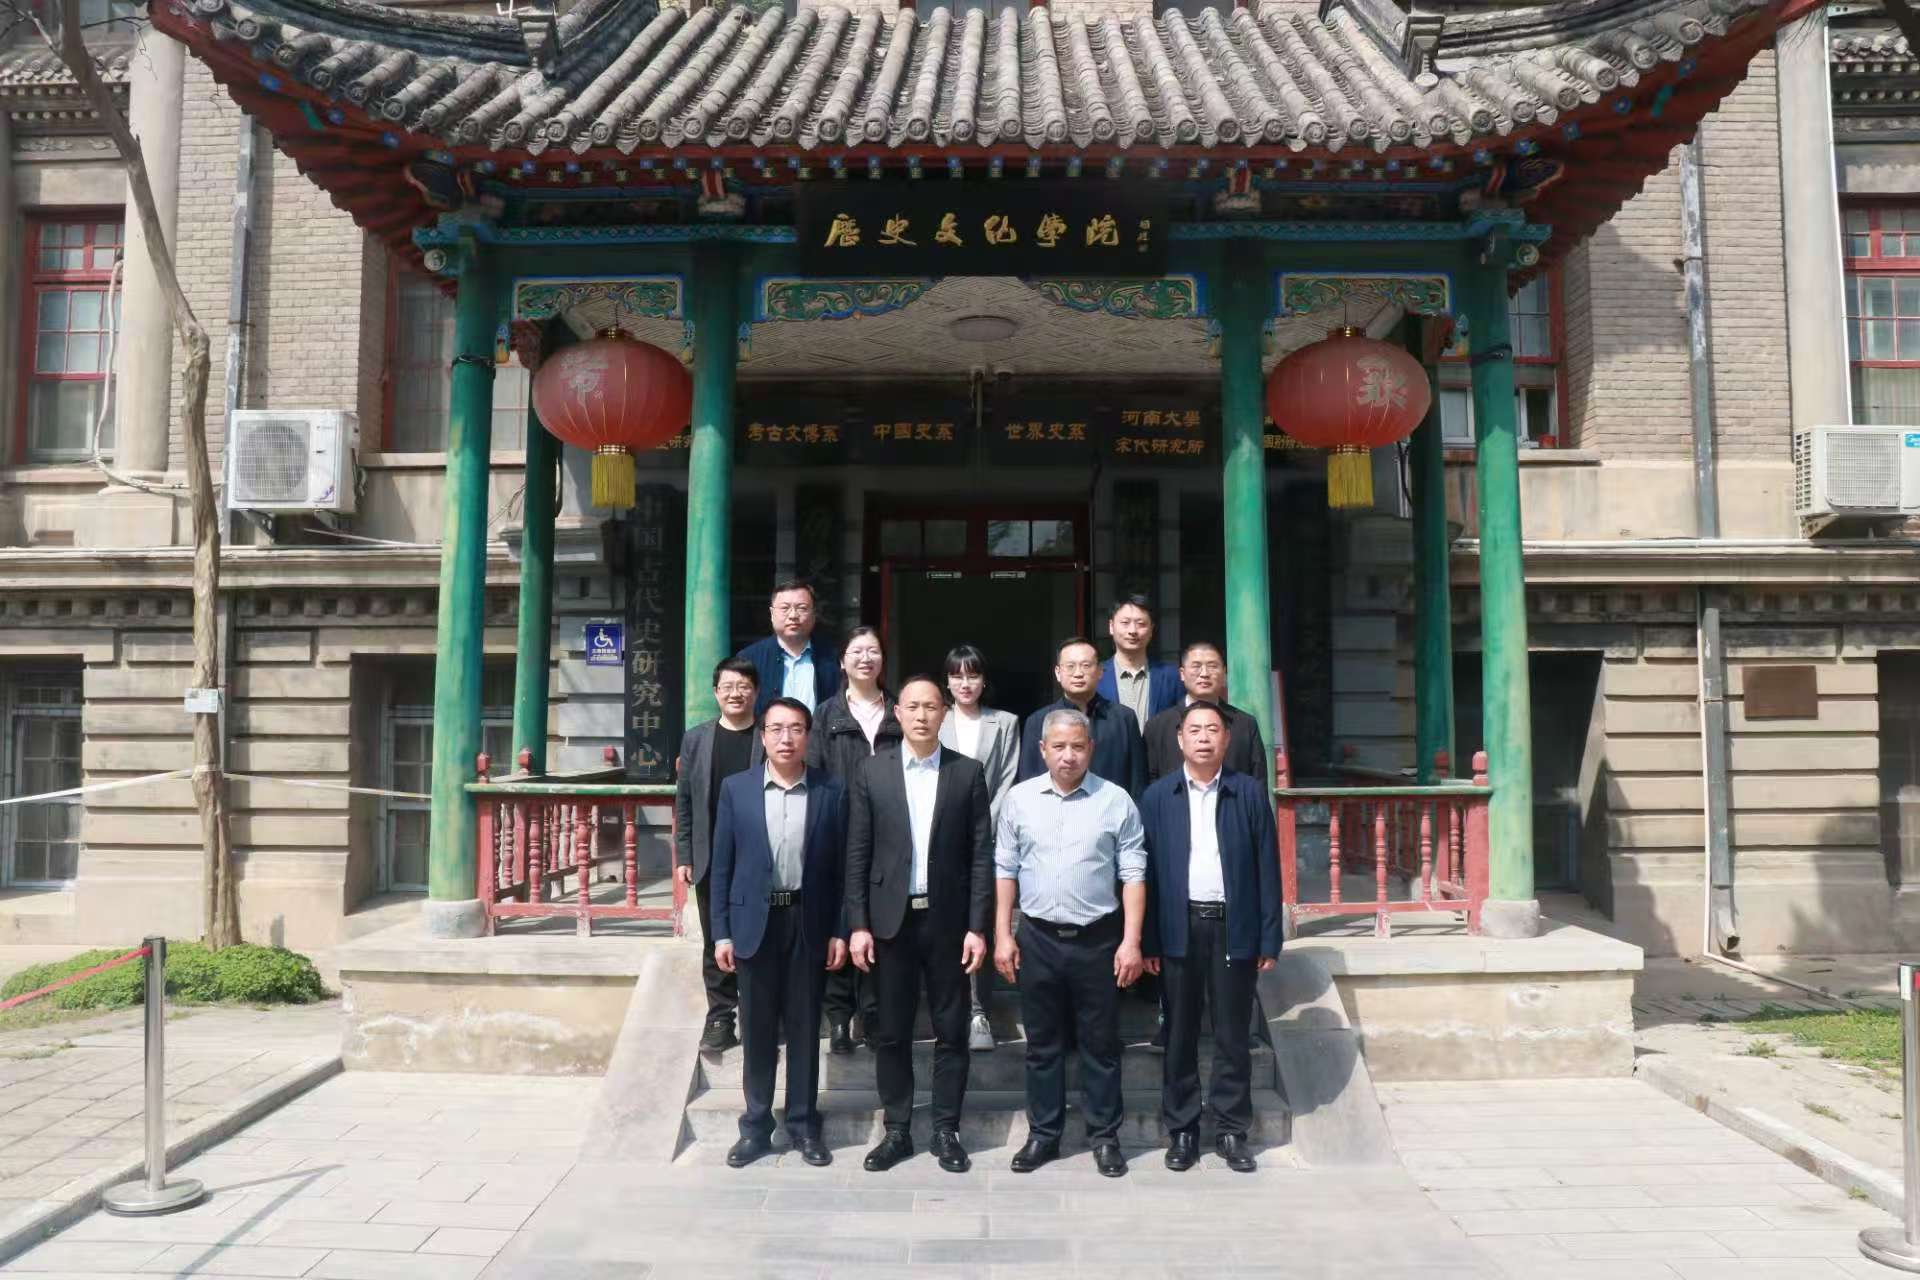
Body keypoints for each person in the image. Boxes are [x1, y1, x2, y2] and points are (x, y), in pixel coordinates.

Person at [846, 675, 994, 1174]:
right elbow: (858, 852)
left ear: (944, 713)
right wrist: (858, 924)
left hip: (949, 922)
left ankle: (947, 1129)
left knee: (952, 1030)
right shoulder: (872, 771)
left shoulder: (966, 772)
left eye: (931, 707)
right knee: (892, 1031)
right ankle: (898, 1130)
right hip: (891, 922)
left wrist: (978, 926)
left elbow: (981, 856)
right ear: (898, 714)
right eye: (912, 707)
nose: (922, 716)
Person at [994, 708, 1148, 1178]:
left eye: (1077, 747)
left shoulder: (1115, 800)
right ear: (1042, 750)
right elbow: (1005, 869)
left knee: (1101, 1044)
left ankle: (1104, 1137)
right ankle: (1044, 1135)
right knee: (1042, 1045)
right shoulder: (1019, 800)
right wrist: (1002, 934)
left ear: (1091, 749)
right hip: (1037, 938)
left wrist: (1131, 942)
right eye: (1058, 747)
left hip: (1098, 940)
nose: (1068, 756)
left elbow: (1133, 873)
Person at [1139, 701, 1282, 1175]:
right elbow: (1146, 874)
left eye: (1213, 730)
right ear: (1180, 739)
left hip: (1232, 927)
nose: (1204, 738)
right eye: (1195, 730)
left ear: (1227, 739)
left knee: (1232, 1034)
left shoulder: (1248, 793)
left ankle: (1231, 1130)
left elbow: (1267, 868)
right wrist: (1149, 939)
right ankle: (1182, 1129)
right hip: (1178, 927)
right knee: (1179, 1033)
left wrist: (1268, 938)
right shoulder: (1157, 797)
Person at [710, 697, 849, 1169]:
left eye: (795, 729)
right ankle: (755, 1127)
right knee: (758, 1029)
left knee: (806, 1027)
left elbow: (843, 869)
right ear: (763, 735)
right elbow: (723, 866)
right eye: (776, 729)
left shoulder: (831, 789)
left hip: (808, 921)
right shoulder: (737, 789)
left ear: (808, 736)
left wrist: (840, 929)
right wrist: (721, 933)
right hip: (755, 923)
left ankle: (804, 1125)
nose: (786, 738)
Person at [808, 626, 899, 1053]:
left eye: (873, 651)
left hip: (890, 830)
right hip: (839, 828)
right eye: (857, 651)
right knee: (840, 921)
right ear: (843, 661)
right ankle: (839, 1016)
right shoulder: (826, 715)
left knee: (880, 919)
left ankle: (874, 1011)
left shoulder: (899, 710)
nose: (865, 658)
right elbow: (814, 773)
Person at [672, 657, 764, 1052]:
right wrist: (684, 853)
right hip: (712, 856)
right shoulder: (696, 739)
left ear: (756, 692)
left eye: (743, 686)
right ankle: (721, 1016)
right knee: (716, 938)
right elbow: (685, 800)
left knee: (760, 936)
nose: (735, 693)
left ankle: (759, 1013)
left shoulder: (768, 735)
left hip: (760, 857)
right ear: (715, 692)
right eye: (727, 686)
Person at [937, 644, 1019, 1052]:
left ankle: (979, 1011)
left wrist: (983, 823)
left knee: (980, 922)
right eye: (957, 676)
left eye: (972, 675)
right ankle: (949, 1008)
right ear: (947, 681)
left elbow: (1007, 779)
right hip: (941, 833)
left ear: (984, 681)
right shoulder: (935, 719)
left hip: (988, 835)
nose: (965, 683)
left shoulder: (1005, 723)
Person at [1015, 637, 1146, 797]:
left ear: (1100, 671)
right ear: (1058, 672)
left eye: (1086, 666)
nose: (1078, 673)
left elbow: (1138, 781)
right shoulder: (1038, 721)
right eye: (1070, 666)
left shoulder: (1124, 719)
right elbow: (1028, 781)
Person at [1143, 641, 1270, 784]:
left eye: (1212, 666)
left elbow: (1258, 781)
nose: (1204, 674)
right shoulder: (1158, 726)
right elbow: (1150, 782)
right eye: (1196, 666)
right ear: (1182, 674)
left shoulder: (1245, 724)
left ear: (1224, 672)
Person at [737, 579, 839, 717]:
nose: (793, 616)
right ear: (772, 614)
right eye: (785, 608)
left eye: (802, 608)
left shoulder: (832, 657)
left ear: (814, 614)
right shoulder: (748, 659)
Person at [1095, 596, 1181, 735]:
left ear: (1151, 630)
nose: (1133, 631)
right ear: (1111, 626)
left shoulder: (1171, 676)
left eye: (1140, 624)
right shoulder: (1096, 676)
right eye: (1125, 623)